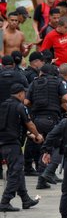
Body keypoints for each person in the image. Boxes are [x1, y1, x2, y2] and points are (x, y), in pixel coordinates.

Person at [25, 64, 67, 189]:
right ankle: (49, 171)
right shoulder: (58, 82)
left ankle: (41, 181)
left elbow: (26, 102)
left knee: (43, 149)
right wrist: (58, 99)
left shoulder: (34, 83)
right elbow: (66, 98)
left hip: (37, 120)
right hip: (52, 120)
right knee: (58, 147)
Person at [0, 83, 44, 211]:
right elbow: (29, 124)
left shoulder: (3, 105)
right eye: (24, 93)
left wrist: (30, 135)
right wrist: (38, 135)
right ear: (20, 94)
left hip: (3, 144)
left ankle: (25, 199)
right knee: (15, 173)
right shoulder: (20, 106)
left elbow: (12, 125)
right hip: (13, 145)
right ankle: (5, 201)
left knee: (18, 172)